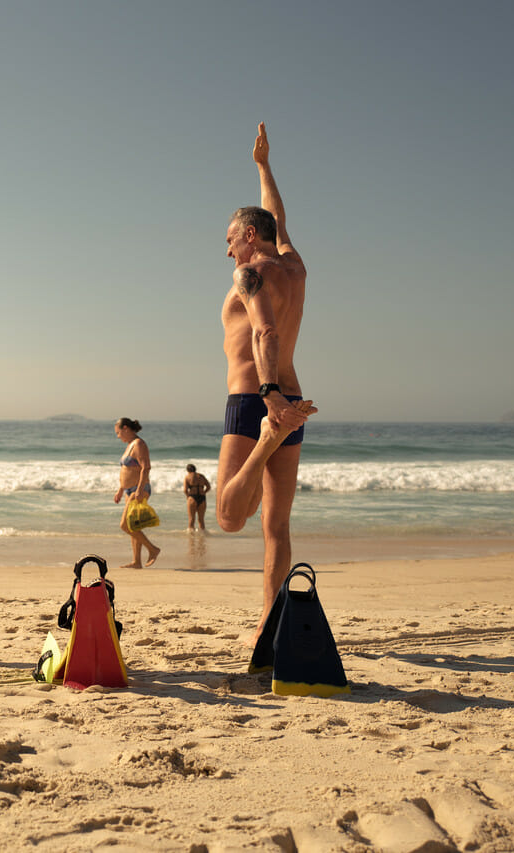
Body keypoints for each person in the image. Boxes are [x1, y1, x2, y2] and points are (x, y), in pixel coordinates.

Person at [215, 123, 318, 646]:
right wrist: (263, 166)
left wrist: (269, 395)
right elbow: (277, 217)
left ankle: (264, 444)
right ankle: (268, 625)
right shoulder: (294, 267)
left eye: (230, 239)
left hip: (256, 400)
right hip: (292, 398)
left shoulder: (248, 274)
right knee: (275, 527)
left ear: (248, 237)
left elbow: (265, 331)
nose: (227, 250)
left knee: (229, 517)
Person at [113, 417, 160, 568]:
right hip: (128, 490)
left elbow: (146, 467)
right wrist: (121, 489)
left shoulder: (139, 444)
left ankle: (153, 549)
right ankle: (137, 561)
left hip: (138, 489)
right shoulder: (130, 445)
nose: (118, 436)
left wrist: (139, 489)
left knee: (125, 525)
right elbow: (127, 470)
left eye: (118, 432)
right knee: (134, 525)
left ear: (125, 428)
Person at [184, 464, 211, 532]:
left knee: (191, 519)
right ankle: (202, 536)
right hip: (202, 498)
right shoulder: (201, 476)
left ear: (188, 470)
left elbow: (185, 490)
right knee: (201, 520)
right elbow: (208, 487)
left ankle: (191, 536)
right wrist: (204, 492)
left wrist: (188, 496)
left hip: (192, 497)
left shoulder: (187, 477)